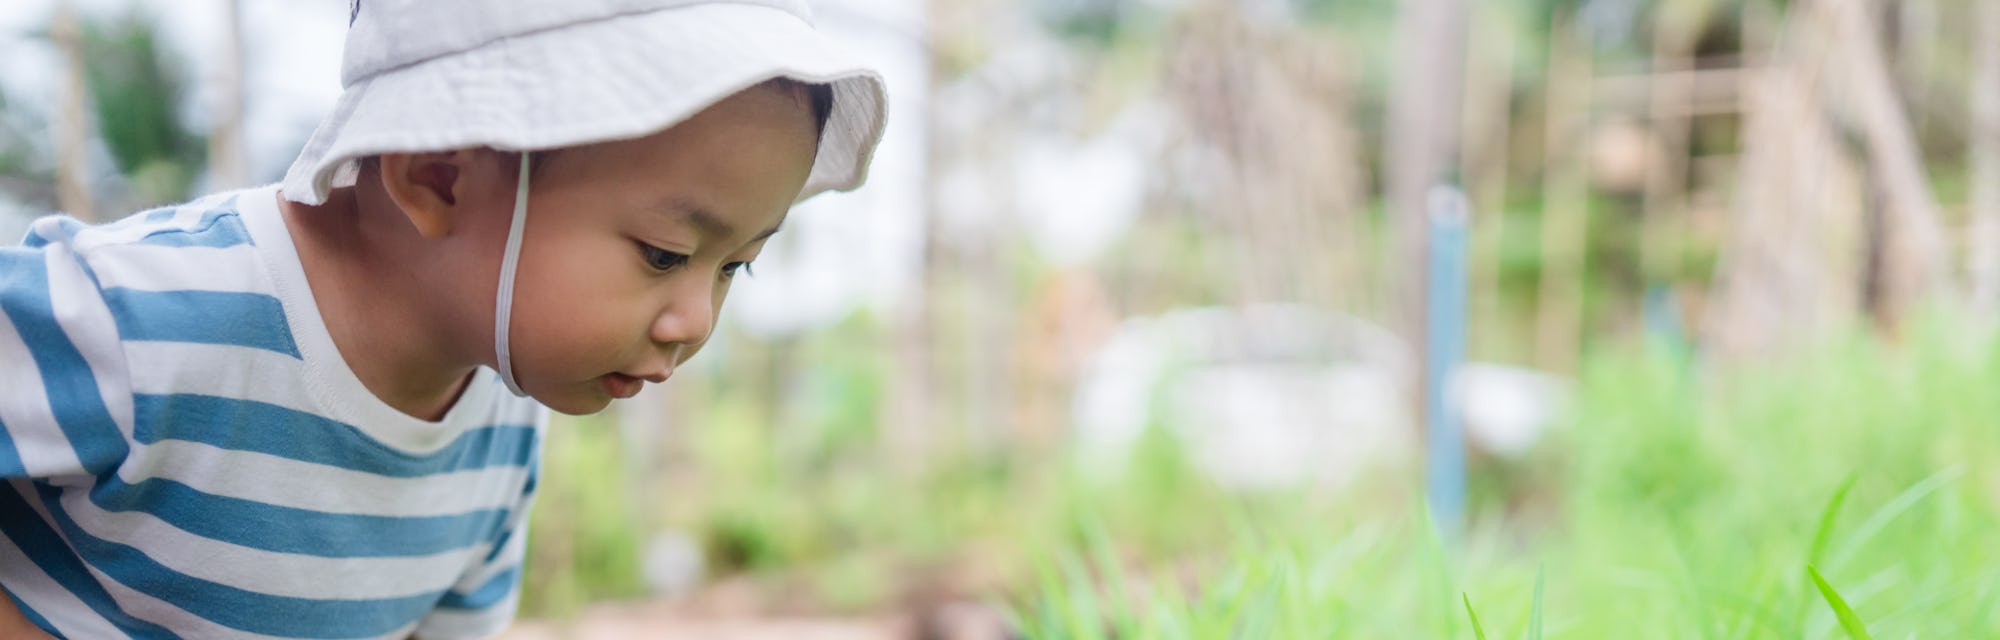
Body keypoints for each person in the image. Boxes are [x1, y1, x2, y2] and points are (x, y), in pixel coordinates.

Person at [0, 0, 887, 636]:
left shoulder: (500, 420)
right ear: (437, 175)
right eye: (664, 253)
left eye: (737, 266)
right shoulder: (147, 321)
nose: (694, 320)